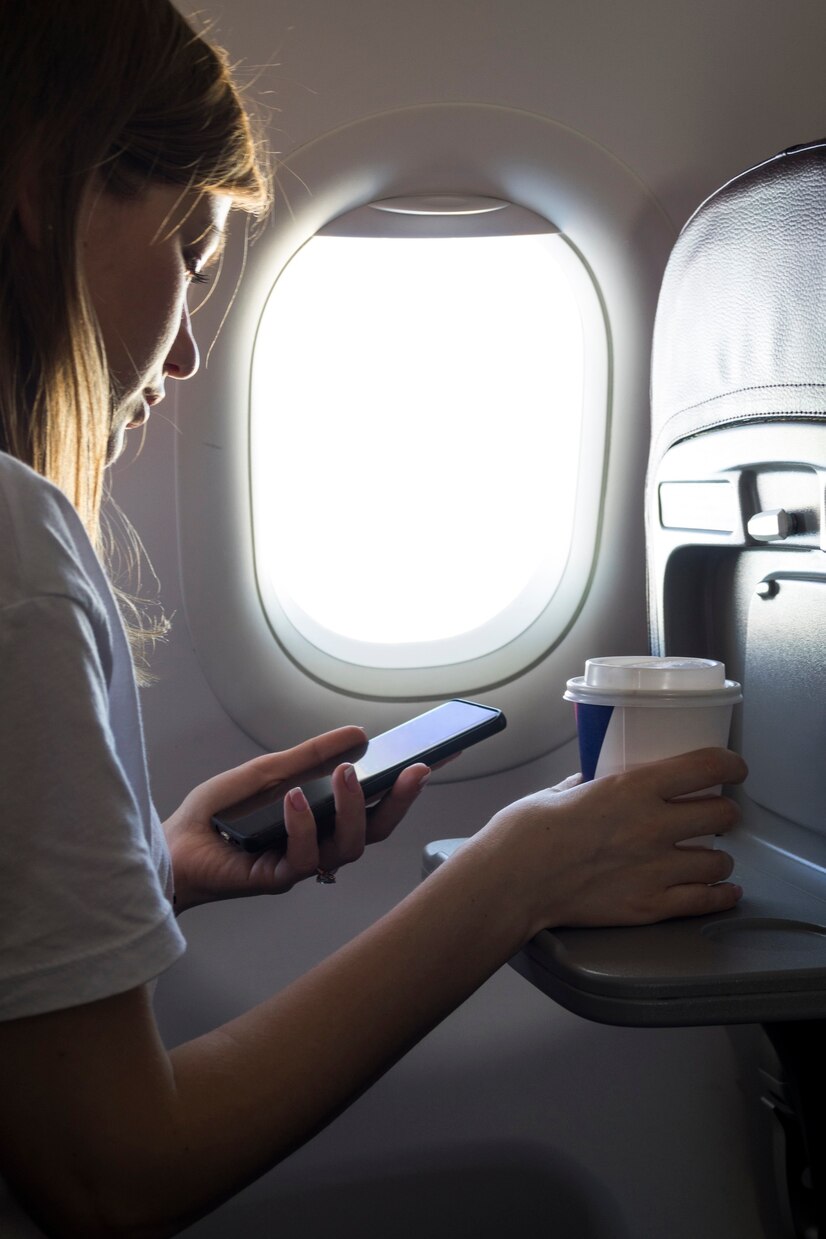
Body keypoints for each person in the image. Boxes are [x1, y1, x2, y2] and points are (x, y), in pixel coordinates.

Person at [0, 3, 747, 1236]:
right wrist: (508, 878)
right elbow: (111, 1173)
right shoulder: (18, 548)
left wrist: (151, 874)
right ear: (44, 186)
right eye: (187, 251)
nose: (186, 355)